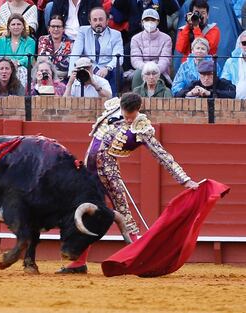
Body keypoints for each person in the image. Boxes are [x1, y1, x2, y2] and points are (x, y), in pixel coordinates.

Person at [56, 92, 199, 274]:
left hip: (108, 173)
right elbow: (102, 95)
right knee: (86, 214)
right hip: (88, 172)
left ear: (138, 110)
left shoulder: (142, 128)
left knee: (125, 215)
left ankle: (142, 260)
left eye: (131, 117)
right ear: (121, 107)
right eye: (126, 115)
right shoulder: (113, 107)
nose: (129, 120)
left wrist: (184, 180)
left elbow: (161, 154)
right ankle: (79, 263)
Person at [68, 7, 123, 96]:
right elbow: (75, 53)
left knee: (117, 69)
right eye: (95, 20)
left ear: (107, 21)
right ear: (90, 22)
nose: (98, 23)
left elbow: (119, 58)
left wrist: (107, 68)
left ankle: (113, 100)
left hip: (106, 69)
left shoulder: (116, 35)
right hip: (88, 68)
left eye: (101, 19)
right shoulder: (83, 31)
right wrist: (71, 73)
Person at [130, 9, 173, 89]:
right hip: (141, 70)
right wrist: (147, 69)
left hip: (160, 71)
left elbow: (165, 60)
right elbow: (135, 60)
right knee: (138, 74)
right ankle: (136, 99)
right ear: (142, 22)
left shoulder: (166, 38)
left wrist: (154, 70)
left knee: (156, 75)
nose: (149, 22)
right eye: (147, 20)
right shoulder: (135, 39)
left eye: (153, 20)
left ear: (158, 22)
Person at [0, 13, 36, 87]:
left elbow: (28, 58)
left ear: (23, 27)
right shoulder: (2, 41)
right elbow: (0, 57)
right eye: (13, 24)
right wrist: (10, 64)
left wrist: (18, 63)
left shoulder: (30, 41)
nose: (16, 27)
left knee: (21, 70)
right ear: (9, 27)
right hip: (5, 67)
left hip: (22, 68)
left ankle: (20, 95)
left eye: (18, 24)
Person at [37, 14, 73, 82]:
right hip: (44, 77)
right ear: (49, 28)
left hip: (64, 80)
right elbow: (41, 60)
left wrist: (50, 68)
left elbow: (66, 66)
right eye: (53, 26)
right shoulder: (43, 39)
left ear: (63, 29)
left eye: (58, 26)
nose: (56, 29)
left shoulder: (70, 44)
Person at [221, 30, 246, 99]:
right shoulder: (231, 62)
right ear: (239, 45)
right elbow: (224, 83)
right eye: (244, 43)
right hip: (235, 102)